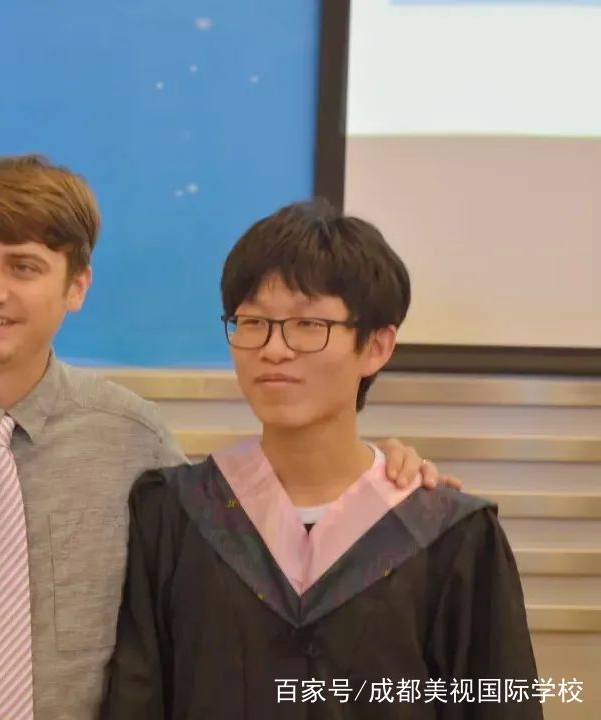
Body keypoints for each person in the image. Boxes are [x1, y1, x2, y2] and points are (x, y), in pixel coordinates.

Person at [0, 157, 453, 719]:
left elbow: (227, 603)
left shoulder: (137, 444)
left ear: (77, 287)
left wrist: (381, 474)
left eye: (23, 267)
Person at [100, 199, 540, 719]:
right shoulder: (175, 515)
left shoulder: (450, 535)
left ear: (377, 346)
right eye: (252, 321)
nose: (274, 349)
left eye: (308, 323)